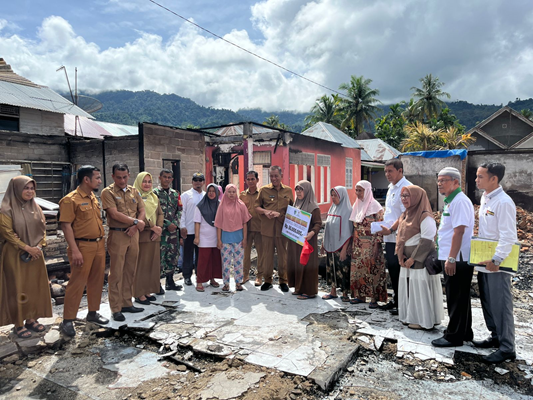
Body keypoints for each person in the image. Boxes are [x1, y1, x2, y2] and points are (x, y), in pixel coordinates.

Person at [473, 163, 518, 363]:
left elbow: (509, 235)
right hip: (484, 259)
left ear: (494, 179)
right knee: (488, 302)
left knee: (501, 305)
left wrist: (497, 259)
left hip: (497, 262)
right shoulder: (485, 198)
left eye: (480, 176)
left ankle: (507, 347)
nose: (476, 180)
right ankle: (495, 337)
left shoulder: (503, 202)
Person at [59, 166, 108, 336]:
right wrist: (75, 250)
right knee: (77, 282)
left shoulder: (92, 197)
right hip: (82, 246)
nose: (100, 181)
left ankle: (93, 313)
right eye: (97, 178)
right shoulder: (70, 200)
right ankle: (67, 320)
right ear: (86, 180)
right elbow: (66, 226)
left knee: (96, 280)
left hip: (98, 244)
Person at [0, 176, 52, 338]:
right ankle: (18, 323)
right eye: (25, 188)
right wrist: (27, 247)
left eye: (31, 188)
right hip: (15, 255)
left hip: (35, 255)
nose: (30, 191)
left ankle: (31, 318)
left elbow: (43, 229)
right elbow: (7, 233)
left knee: (32, 286)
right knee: (17, 287)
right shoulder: (6, 209)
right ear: (16, 189)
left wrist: (38, 247)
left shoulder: (35, 207)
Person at [431, 167, 475, 348]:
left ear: (456, 182)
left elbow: (459, 231)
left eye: (444, 180)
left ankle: (453, 336)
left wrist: (450, 259)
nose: (440, 184)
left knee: (455, 297)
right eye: (438, 180)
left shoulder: (460, 201)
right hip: (453, 256)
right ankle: (464, 332)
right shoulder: (451, 201)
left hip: (457, 258)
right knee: (460, 296)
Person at [101, 164, 146, 322]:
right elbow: (114, 213)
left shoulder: (134, 191)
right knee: (116, 272)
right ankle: (116, 307)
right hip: (118, 234)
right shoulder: (108, 192)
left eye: (125, 176)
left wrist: (136, 225)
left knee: (130, 270)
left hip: (133, 235)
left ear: (129, 175)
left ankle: (127, 302)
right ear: (113, 176)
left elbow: (142, 210)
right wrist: (135, 222)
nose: (122, 180)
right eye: (118, 177)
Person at [396, 185, 443, 330]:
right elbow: (401, 236)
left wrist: (414, 258)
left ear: (417, 197)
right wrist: (401, 255)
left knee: (419, 288)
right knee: (410, 288)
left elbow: (427, 240)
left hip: (419, 259)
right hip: (406, 258)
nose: (404, 199)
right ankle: (411, 316)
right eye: (402, 195)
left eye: (407, 195)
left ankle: (423, 320)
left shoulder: (424, 216)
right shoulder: (406, 214)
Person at [377, 159, 412, 315]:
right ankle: (396, 300)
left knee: (402, 272)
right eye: (385, 171)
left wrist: (391, 229)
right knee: (392, 270)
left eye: (390, 171)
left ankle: (404, 305)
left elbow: (405, 214)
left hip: (401, 237)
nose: (387, 174)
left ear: (400, 170)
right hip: (389, 237)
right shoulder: (391, 188)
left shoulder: (407, 187)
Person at [254, 166, 294, 292]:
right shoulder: (263, 190)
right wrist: (266, 212)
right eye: (271, 176)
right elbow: (256, 207)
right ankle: (267, 280)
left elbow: (293, 210)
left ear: (281, 175)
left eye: (276, 175)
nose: (274, 178)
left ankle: (283, 281)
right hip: (267, 229)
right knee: (267, 257)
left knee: (283, 257)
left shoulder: (288, 191)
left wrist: (281, 216)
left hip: (283, 229)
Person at [349, 180, 387, 308]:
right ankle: (360, 296)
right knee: (359, 271)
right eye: (356, 190)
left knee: (372, 271)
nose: (357, 193)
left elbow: (380, 227)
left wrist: (377, 244)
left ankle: (374, 298)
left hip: (371, 245)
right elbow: (354, 227)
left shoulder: (376, 207)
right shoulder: (357, 205)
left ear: (367, 191)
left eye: (360, 190)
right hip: (358, 245)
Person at [132, 172, 164, 305]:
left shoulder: (153, 197)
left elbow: (160, 213)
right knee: (142, 266)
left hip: (154, 236)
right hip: (142, 235)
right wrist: (152, 227)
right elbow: (137, 215)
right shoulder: (134, 197)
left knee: (152, 265)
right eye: (144, 181)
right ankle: (139, 293)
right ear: (139, 182)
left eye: (149, 181)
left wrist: (159, 228)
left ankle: (148, 290)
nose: (146, 184)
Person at [287, 181, 322, 300]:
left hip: (308, 242)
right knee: (298, 264)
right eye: (296, 189)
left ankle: (309, 291)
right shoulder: (296, 205)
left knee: (307, 265)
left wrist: (311, 233)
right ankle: (299, 288)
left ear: (307, 191)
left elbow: (318, 224)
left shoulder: (313, 207)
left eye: (301, 190)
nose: (298, 192)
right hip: (296, 242)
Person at [215, 184, 251, 292]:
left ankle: (238, 283)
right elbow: (219, 224)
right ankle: (226, 283)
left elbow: (245, 223)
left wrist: (245, 239)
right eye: (229, 192)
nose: (231, 194)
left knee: (239, 262)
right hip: (225, 239)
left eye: (233, 192)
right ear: (225, 193)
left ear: (236, 193)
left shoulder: (241, 205)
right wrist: (219, 239)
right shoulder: (221, 206)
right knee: (225, 263)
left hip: (239, 239)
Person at [321, 186, 353, 302]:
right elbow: (327, 227)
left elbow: (348, 231)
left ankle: (345, 293)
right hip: (331, 245)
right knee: (331, 268)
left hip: (341, 246)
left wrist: (344, 249)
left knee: (343, 268)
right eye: (332, 195)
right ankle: (333, 291)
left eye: (336, 195)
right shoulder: (332, 209)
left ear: (342, 195)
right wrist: (323, 244)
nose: (333, 198)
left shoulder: (348, 211)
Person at [154, 168, 183, 293]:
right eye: (164, 177)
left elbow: (180, 210)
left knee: (173, 256)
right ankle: (157, 284)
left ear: (172, 179)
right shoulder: (154, 193)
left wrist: (175, 224)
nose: (167, 179)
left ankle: (170, 282)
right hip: (161, 231)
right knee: (160, 258)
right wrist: (167, 224)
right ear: (160, 178)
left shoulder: (175, 194)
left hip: (173, 232)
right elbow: (153, 212)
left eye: (169, 177)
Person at [194, 184, 222, 292]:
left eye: (213, 191)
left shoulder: (219, 205)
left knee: (214, 259)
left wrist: (220, 239)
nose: (211, 193)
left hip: (216, 237)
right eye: (209, 191)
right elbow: (197, 222)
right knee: (203, 260)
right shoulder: (200, 206)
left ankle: (212, 278)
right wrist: (197, 237)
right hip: (204, 238)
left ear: (216, 193)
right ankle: (199, 281)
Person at [180, 173, 206, 286]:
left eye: (200, 180)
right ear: (192, 182)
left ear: (203, 182)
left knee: (201, 255)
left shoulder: (206, 196)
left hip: (202, 231)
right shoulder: (186, 195)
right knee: (188, 254)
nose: (198, 182)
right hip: (189, 230)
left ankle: (199, 276)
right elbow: (182, 212)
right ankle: (187, 276)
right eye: (195, 180)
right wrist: (182, 226)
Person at [239, 171, 263, 286]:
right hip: (246, 229)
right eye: (248, 179)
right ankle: (245, 275)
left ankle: (259, 277)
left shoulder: (262, 194)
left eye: (252, 179)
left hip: (260, 228)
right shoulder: (242, 195)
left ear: (257, 180)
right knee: (245, 254)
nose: (250, 181)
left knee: (261, 254)